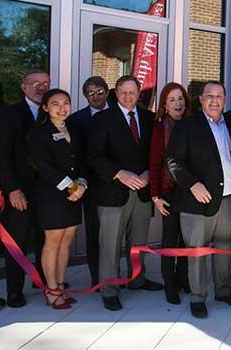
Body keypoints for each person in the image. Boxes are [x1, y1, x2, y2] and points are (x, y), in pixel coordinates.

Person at [88, 75, 163, 311]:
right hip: (113, 192)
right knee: (110, 244)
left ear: (139, 92)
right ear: (116, 93)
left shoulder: (149, 118)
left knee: (138, 241)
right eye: (123, 92)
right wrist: (120, 173)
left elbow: (156, 153)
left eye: (132, 92)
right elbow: (94, 156)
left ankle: (137, 278)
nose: (128, 96)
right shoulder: (103, 119)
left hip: (141, 190)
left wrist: (149, 175)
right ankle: (109, 289)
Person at [165, 80, 231, 319]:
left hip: (228, 198)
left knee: (225, 246)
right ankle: (198, 297)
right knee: (197, 250)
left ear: (225, 99)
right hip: (197, 200)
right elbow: (173, 160)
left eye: (219, 96)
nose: (214, 100)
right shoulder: (187, 126)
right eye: (209, 96)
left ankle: (224, 290)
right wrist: (192, 184)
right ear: (200, 99)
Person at [0, 71, 50, 307]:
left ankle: (43, 280)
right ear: (24, 88)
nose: (41, 87)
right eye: (36, 84)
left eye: (46, 83)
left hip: (46, 192)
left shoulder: (51, 114)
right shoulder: (8, 114)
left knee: (45, 238)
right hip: (19, 192)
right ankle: (14, 290)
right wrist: (12, 189)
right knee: (17, 242)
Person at [29, 88, 87, 309]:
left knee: (66, 241)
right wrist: (70, 186)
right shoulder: (39, 132)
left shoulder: (74, 129)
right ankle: (51, 289)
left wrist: (81, 183)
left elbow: (82, 160)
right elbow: (43, 165)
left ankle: (62, 285)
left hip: (75, 194)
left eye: (66, 103)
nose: (62, 108)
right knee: (52, 242)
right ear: (45, 107)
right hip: (52, 194)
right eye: (55, 103)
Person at [149, 83, 192, 304]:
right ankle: (169, 284)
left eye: (181, 98)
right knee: (170, 240)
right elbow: (155, 164)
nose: (178, 103)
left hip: (190, 192)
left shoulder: (194, 125)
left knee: (187, 240)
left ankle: (183, 278)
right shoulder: (159, 129)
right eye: (173, 99)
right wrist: (155, 196)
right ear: (165, 105)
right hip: (168, 192)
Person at [69, 76, 110, 287]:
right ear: (85, 96)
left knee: (114, 235)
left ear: (107, 92)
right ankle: (97, 277)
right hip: (91, 186)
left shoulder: (119, 114)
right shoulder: (77, 120)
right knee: (94, 233)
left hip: (117, 185)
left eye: (99, 92)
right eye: (90, 93)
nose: (95, 97)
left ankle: (120, 275)